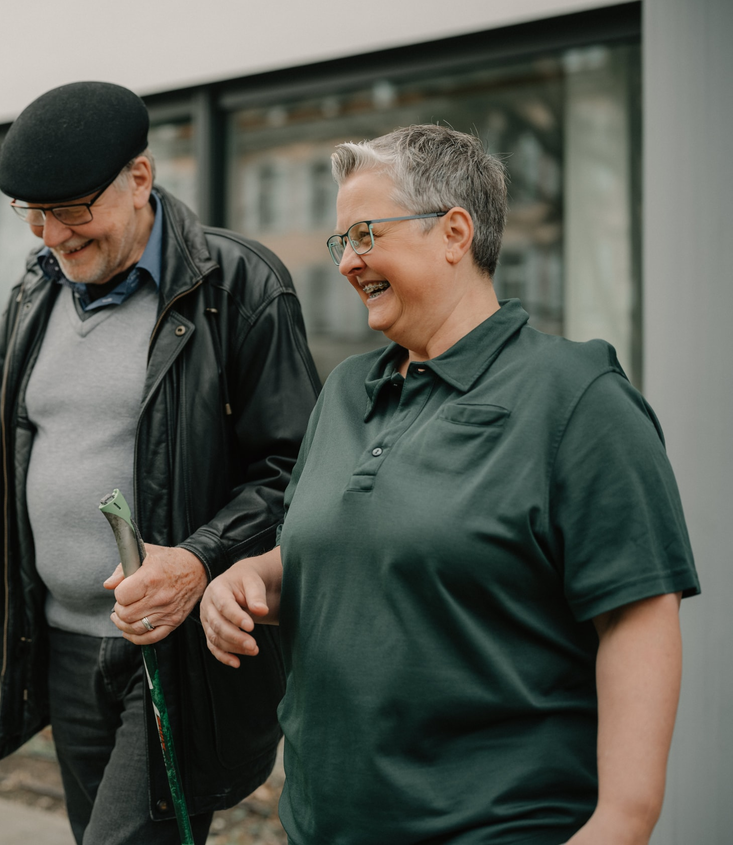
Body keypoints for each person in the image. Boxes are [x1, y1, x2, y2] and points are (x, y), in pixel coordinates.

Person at [0, 81, 321, 845]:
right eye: (34, 217)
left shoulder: (238, 287)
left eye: (74, 211)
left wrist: (200, 562)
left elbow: (293, 470)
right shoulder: (36, 292)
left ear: (139, 179)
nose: (54, 238)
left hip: (173, 655)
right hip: (65, 650)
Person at [200, 124, 700, 845]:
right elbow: (335, 554)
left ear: (455, 232)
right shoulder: (344, 391)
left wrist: (623, 821)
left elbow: (636, 618)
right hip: (319, 828)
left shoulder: (576, 398)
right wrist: (248, 579)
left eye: (364, 234)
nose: (347, 262)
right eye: (342, 242)